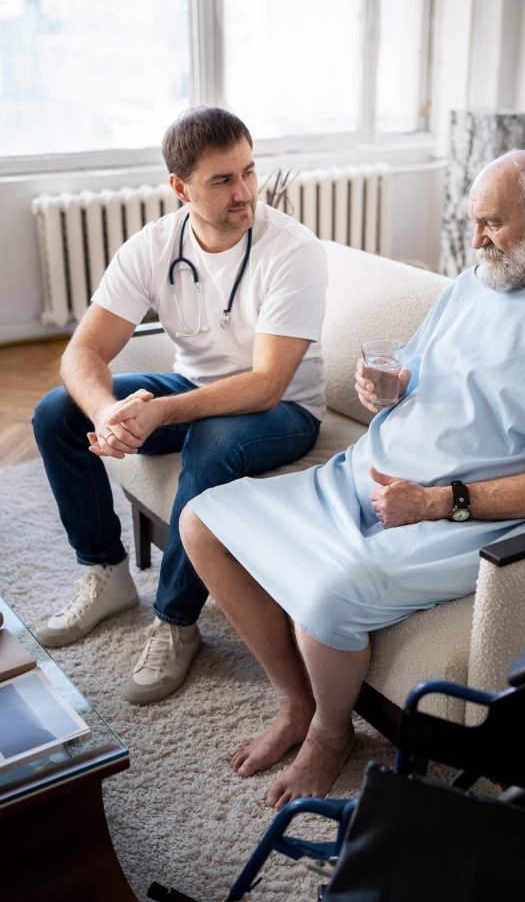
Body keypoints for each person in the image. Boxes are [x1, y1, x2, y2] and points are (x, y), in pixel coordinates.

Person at [179, 149, 525, 811]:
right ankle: (297, 701)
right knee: (201, 521)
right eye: (474, 222)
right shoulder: (474, 283)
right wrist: (387, 390)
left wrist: (433, 502)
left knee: (326, 602)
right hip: (359, 479)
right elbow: (415, 376)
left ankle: (329, 733)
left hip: (459, 521)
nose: (477, 240)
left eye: (493, 224)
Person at [32, 106, 328, 705]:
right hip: (194, 388)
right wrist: (106, 413)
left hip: (284, 412)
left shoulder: (293, 250)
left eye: (248, 171)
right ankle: (106, 573)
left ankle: (176, 621)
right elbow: (83, 351)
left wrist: (160, 413)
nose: (245, 191)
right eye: (223, 180)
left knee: (212, 440)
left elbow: (267, 384)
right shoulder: (154, 245)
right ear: (180, 186)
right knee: (57, 412)